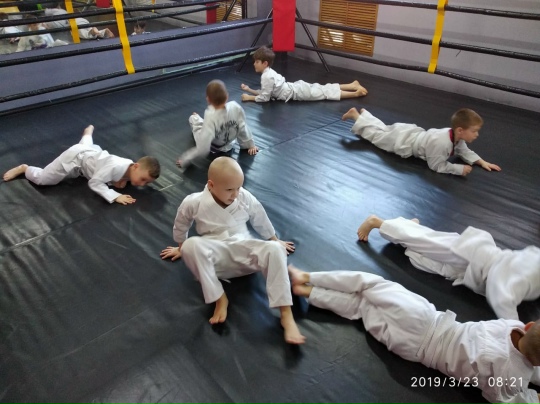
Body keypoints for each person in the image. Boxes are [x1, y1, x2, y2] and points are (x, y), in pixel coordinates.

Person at [288, 265, 540, 404]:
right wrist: (531, 397)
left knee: (370, 285)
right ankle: (309, 293)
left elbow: (523, 356)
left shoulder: (510, 326)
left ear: (527, 326)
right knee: (361, 309)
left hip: (424, 320)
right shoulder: (514, 378)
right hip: (413, 350)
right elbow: (501, 398)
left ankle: (307, 277)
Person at [160, 157, 305, 344]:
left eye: (238, 188)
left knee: (275, 249)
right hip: (216, 260)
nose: (235, 194)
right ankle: (220, 298)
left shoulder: (243, 197)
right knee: (190, 245)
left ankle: (286, 314)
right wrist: (182, 247)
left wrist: (274, 239)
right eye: (229, 190)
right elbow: (181, 223)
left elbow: (259, 216)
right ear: (211, 185)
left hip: (244, 254)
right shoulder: (193, 202)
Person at [356, 215, 540, 321]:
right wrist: (515, 326)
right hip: (474, 256)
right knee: (425, 242)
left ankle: (406, 227)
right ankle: (377, 222)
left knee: (425, 259)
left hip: (472, 265)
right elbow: (500, 296)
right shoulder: (523, 277)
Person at [2, 125, 160, 205]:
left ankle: (87, 134)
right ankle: (25, 168)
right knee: (44, 180)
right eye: (143, 179)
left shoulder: (131, 169)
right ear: (136, 166)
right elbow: (95, 182)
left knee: (88, 148)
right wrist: (115, 195)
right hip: (75, 158)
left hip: (92, 156)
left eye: (146, 183)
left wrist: (121, 181)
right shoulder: (115, 166)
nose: (142, 184)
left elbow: (116, 176)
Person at [341, 107, 501, 176]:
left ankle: (364, 115)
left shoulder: (455, 136)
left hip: (409, 133)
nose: (477, 135)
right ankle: (356, 116)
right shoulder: (443, 142)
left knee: (383, 130)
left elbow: (464, 151)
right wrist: (459, 169)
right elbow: (436, 166)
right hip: (403, 143)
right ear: (460, 130)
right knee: (376, 137)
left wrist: (482, 162)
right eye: (474, 131)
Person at [240, 46, 367, 103]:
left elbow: (265, 98)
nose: (254, 64)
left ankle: (355, 93)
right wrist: (249, 90)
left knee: (324, 93)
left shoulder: (266, 76)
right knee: (322, 88)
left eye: (257, 62)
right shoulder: (268, 72)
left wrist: (249, 97)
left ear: (265, 63)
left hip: (298, 92)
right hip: (296, 88)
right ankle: (351, 85)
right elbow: (265, 93)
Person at [176, 80, 258, 168]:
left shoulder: (210, 114)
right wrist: (250, 145)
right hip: (228, 145)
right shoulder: (235, 107)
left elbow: (203, 148)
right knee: (210, 125)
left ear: (208, 100)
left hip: (213, 145)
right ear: (227, 96)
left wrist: (185, 159)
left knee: (194, 121)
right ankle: (200, 120)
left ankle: (196, 117)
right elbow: (242, 128)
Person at [44, 3, 114, 40]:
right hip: (83, 20)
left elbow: (46, 12)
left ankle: (93, 31)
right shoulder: (69, 13)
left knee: (84, 34)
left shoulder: (60, 12)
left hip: (75, 23)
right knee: (87, 29)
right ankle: (102, 32)